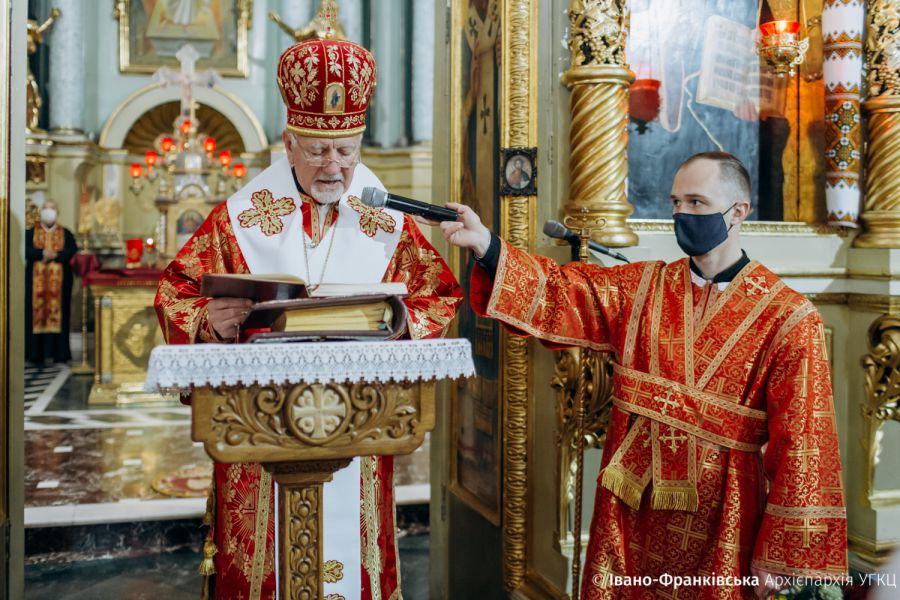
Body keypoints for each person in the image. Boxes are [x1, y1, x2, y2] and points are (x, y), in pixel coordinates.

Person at [433, 152, 848, 599]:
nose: (682, 214)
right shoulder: (644, 287)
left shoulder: (788, 317)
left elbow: (805, 444)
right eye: (676, 203)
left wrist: (781, 555)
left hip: (725, 512)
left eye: (696, 202)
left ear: (738, 211)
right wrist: (487, 245)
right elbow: (562, 292)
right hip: (631, 503)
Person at [154, 33, 462, 600]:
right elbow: (176, 292)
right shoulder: (239, 220)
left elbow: (439, 295)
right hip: (258, 427)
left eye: (347, 150)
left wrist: (397, 328)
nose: (334, 166)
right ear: (288, 143)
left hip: (359, 420)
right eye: (319, 150)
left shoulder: (386, 221)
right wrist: (208, 321)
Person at [26, 199, 78, 364]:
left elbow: (72, 251)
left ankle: (60, 353)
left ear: (57, 212)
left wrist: (56, 255)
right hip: (36, 282)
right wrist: (41, 253)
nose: (49, 211)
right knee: (35, 315)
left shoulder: (65, 233)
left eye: (52, 208)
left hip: (60, 284)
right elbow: (26, 250)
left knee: (59, 314)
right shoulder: (31, 232)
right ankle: (35, 353)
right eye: (46, 208)